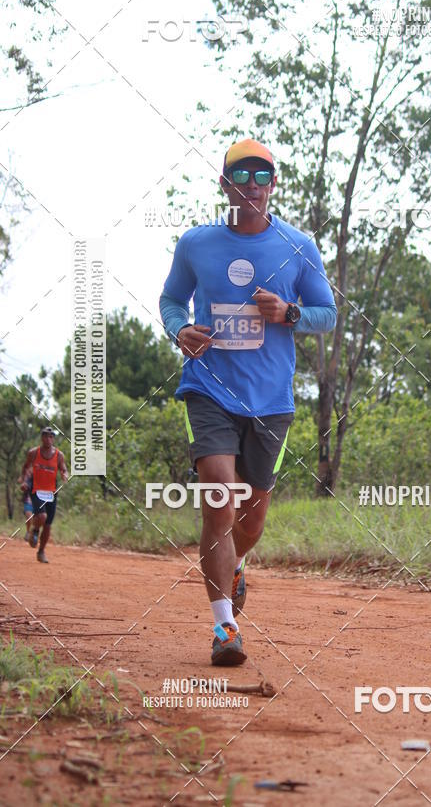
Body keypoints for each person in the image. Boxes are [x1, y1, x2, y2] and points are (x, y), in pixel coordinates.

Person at [159, 138, 336, 666]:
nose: (254, 185)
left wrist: (288, 313)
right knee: (220, 498)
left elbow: (326, 314)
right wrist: (179, 329)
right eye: (243, 175)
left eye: (264, 175)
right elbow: (171, 298)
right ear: (225, 184)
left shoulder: (299, 246)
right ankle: (224, 628)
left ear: (274, 183)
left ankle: (235, 565)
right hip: (208, 389)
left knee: (251, 519)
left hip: (270, 402)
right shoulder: (195, 243)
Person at [18, 427, 69, 563]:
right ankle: (34, 530)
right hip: (36, 489)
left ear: (53, 438)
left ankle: (41, 552)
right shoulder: (34, 453)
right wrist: (24, 480)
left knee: (47, 524)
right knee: (42, 516)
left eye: (51, 436)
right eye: (46, 436)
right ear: (42, 438)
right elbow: (25, 467)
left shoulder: (59, 455)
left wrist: (65, 474)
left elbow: (63, 468)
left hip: (51, 491)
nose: (48, 439)